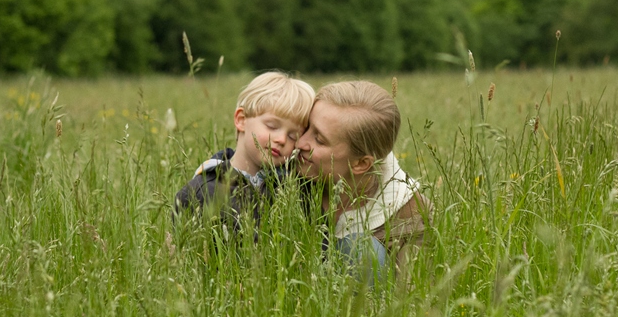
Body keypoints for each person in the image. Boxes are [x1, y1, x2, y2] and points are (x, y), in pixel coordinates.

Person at [295, 81, 432, 275]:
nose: (300, 142)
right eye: (306, 127)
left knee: (361, 250)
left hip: (365, 303)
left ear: (361, 164)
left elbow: (414, 299)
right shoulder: (278, 173)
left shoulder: (413, 216)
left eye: (319, 139)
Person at [174, 71, 315, 236]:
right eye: (272, 126)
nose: (282, 139)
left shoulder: (295, 189)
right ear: (241, 120)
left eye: (293, 136)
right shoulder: (202, 189)